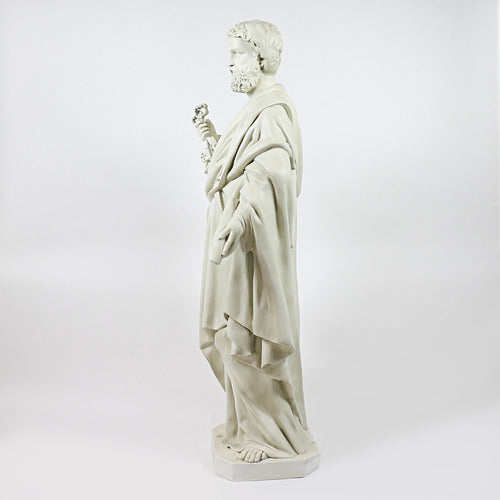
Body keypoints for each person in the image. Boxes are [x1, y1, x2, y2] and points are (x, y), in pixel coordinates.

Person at [194, 20, 314, 464]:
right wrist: (214, 141)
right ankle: (245, 425)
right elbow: (240, 167)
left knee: (241, 337)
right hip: (235, 241)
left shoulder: (273, 112)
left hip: (248, 246)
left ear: (261, 57)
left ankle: (271, 437)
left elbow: (270, 176)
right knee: (229, 338)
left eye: (237, 54)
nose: (229, 63)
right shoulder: (253, 109)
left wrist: (242, 219)